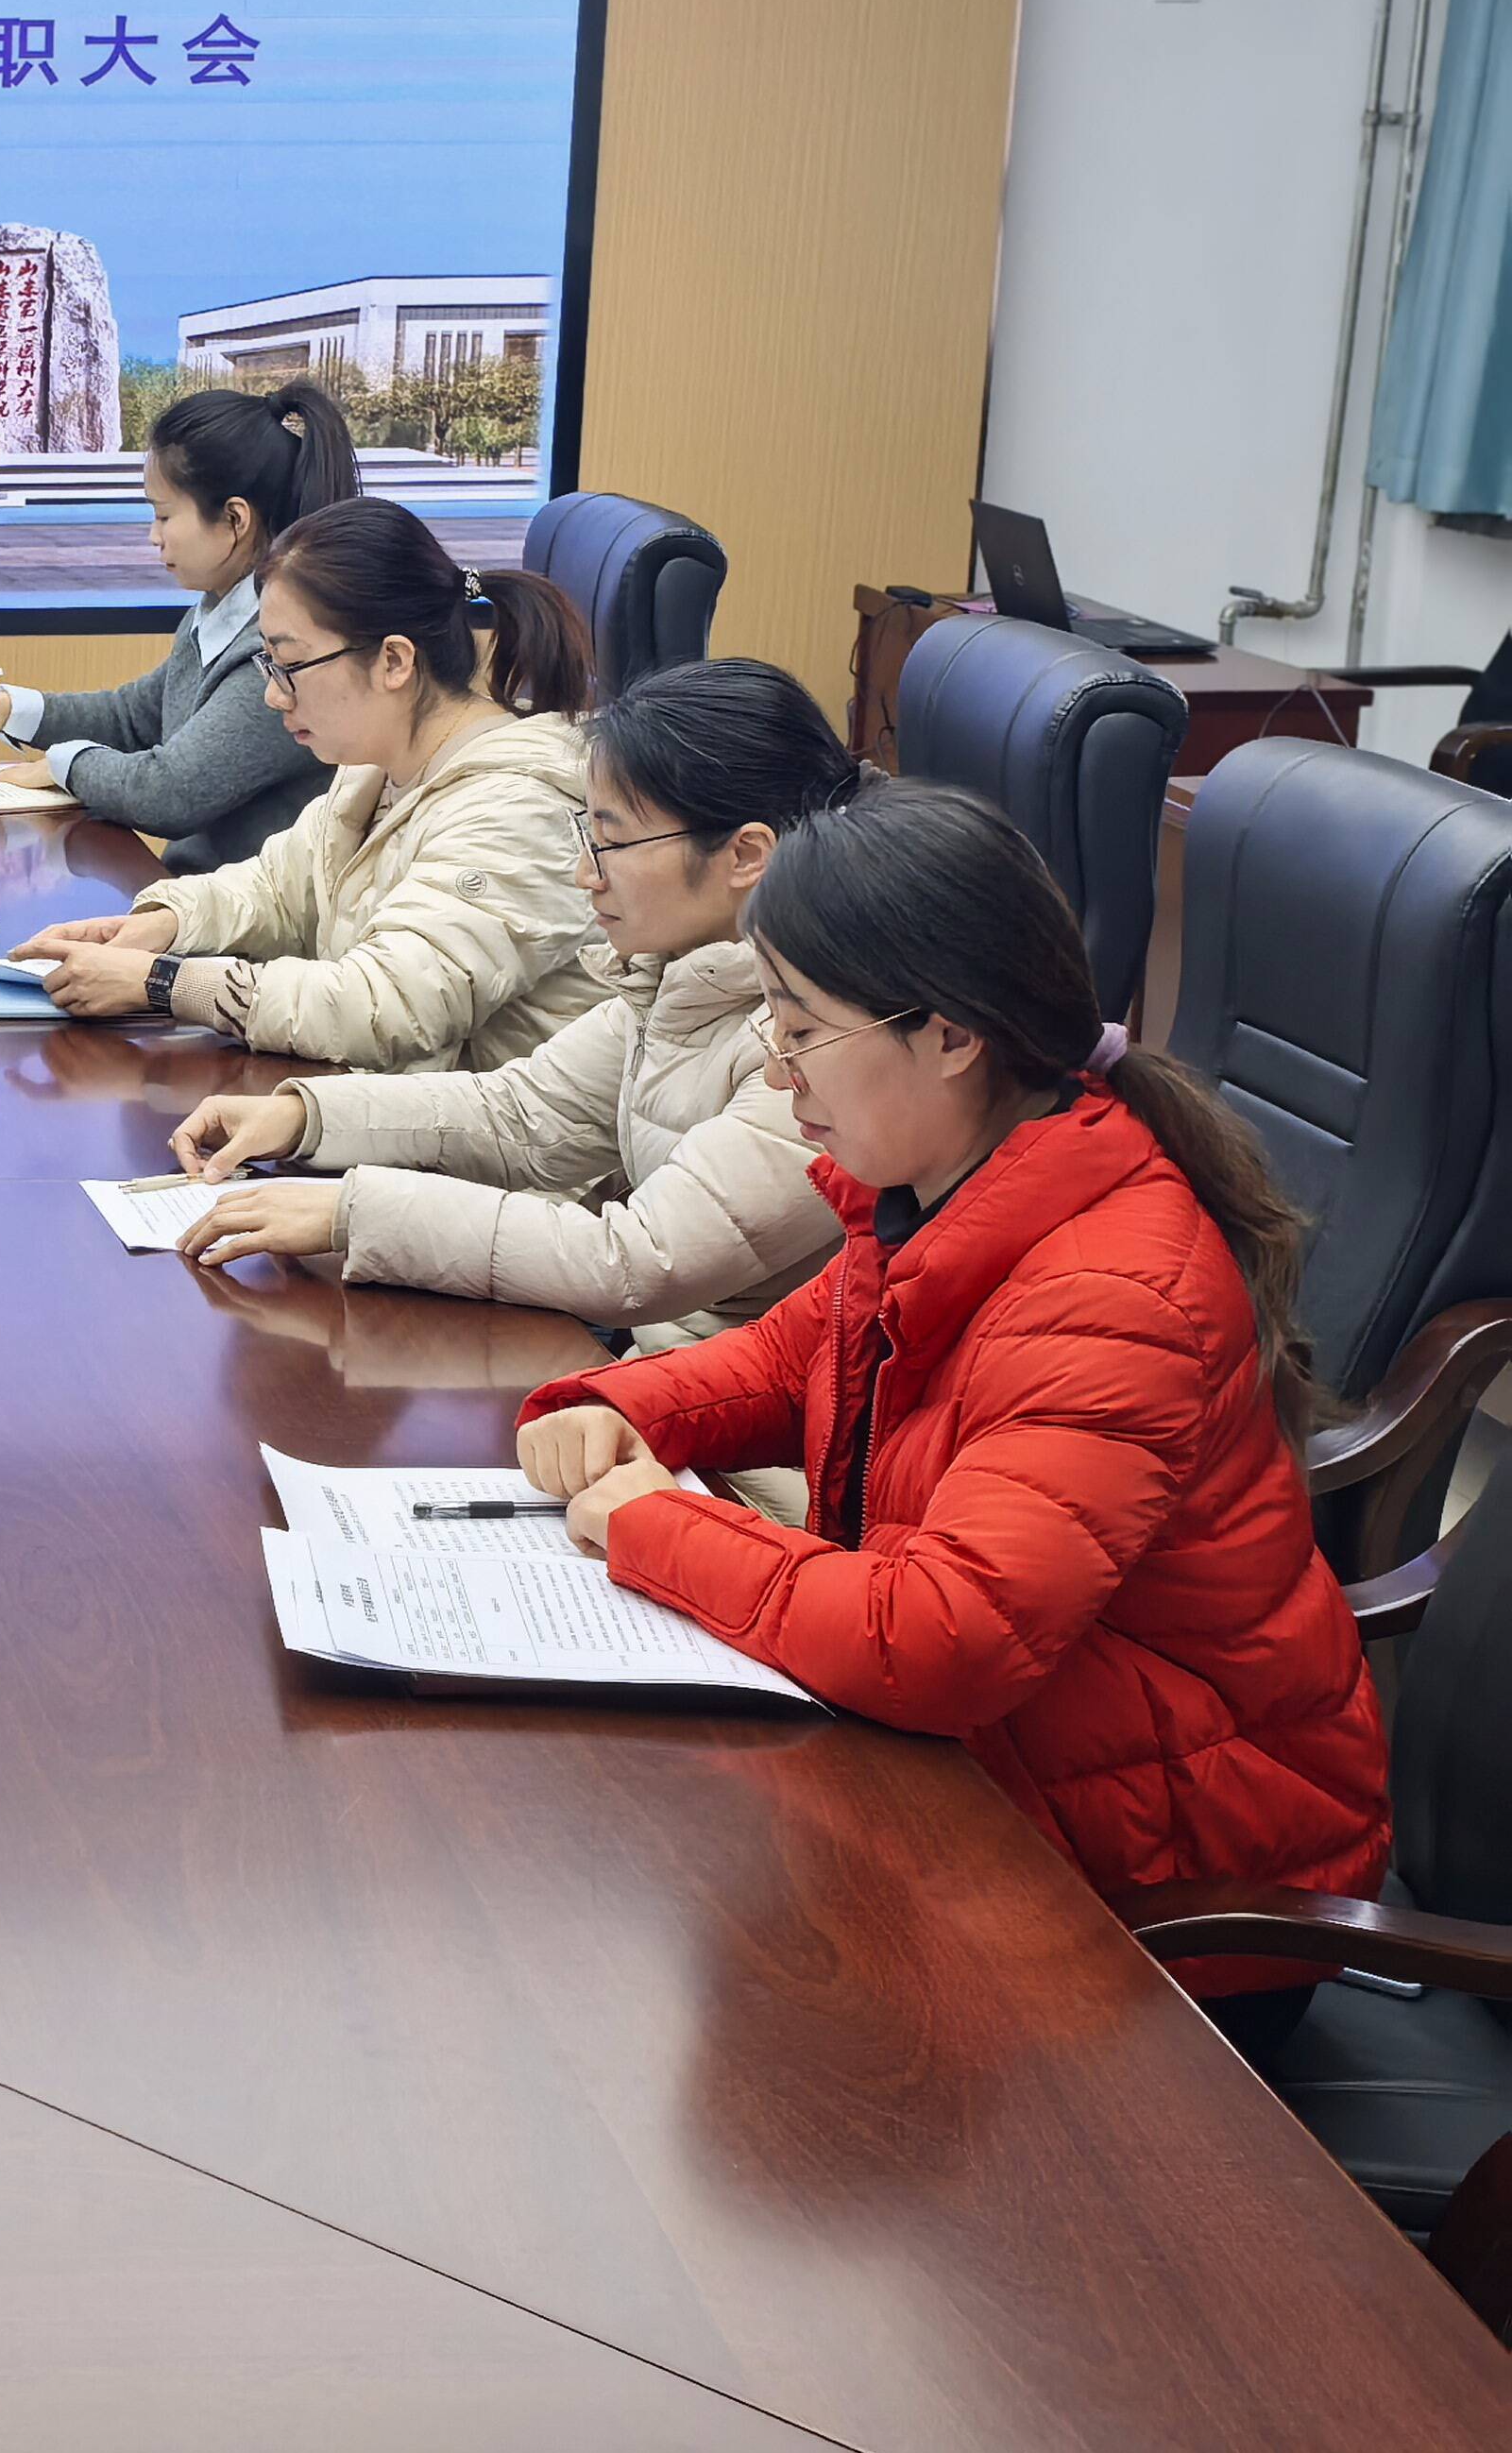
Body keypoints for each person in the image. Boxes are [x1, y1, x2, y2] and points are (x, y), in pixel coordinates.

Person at [514, 781, 1386, 2045]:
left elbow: (940, 1639)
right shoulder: (949, 1186)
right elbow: (792, 1361)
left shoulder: (1111, 1291)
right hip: (1011, 1785)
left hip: (1180, 1914)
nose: (776, 1068)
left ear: (951, 1036)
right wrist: (612, 1402)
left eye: (801, 1029)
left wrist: (655, 1525)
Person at [161, 662, 858, 1466]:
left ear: (746, 854)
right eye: (588, 838)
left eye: (613, 843)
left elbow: (636, 1260)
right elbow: (523, 1115)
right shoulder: (688, 973)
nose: (586, 873)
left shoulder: (821, 1037)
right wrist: (305, 1117)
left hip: (749, 1459)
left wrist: (352, 1213)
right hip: (648, 1396)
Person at [8, 496, 606, 1072]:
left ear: (394, 661)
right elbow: (279, 887)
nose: (274, 695)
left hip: (465, 1139)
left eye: (290, 665)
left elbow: (386, 1004)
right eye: (269, 665)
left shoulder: (515, 810)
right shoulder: (376, 765)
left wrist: (163, 983)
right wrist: (162, 925)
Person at [0, 381, 350, 870]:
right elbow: (132, 719)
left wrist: (65, 765)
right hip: (197, 896)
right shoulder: (216, 615)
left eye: (164, 515)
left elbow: (171, 792)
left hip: (248, 911)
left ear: (235, 520)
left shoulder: (279, 651)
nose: (154, 536)